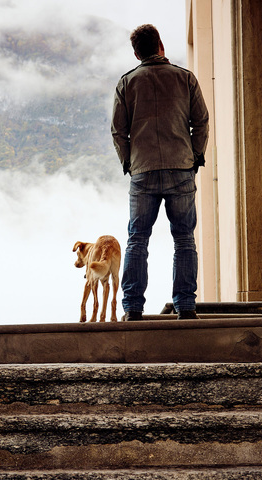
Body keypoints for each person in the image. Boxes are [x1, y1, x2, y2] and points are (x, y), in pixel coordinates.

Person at [111, 24, 209, 321]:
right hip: (181, 168)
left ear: (137, 53)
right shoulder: (185, 78)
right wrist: (195, 157)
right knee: (184, 238)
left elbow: (119, 131)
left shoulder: (127, 83)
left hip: (143, 171)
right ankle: (186, 306)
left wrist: (130, 162)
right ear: (161, 46)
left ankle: (132, 308)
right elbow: (201, 122)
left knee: (137, 239)